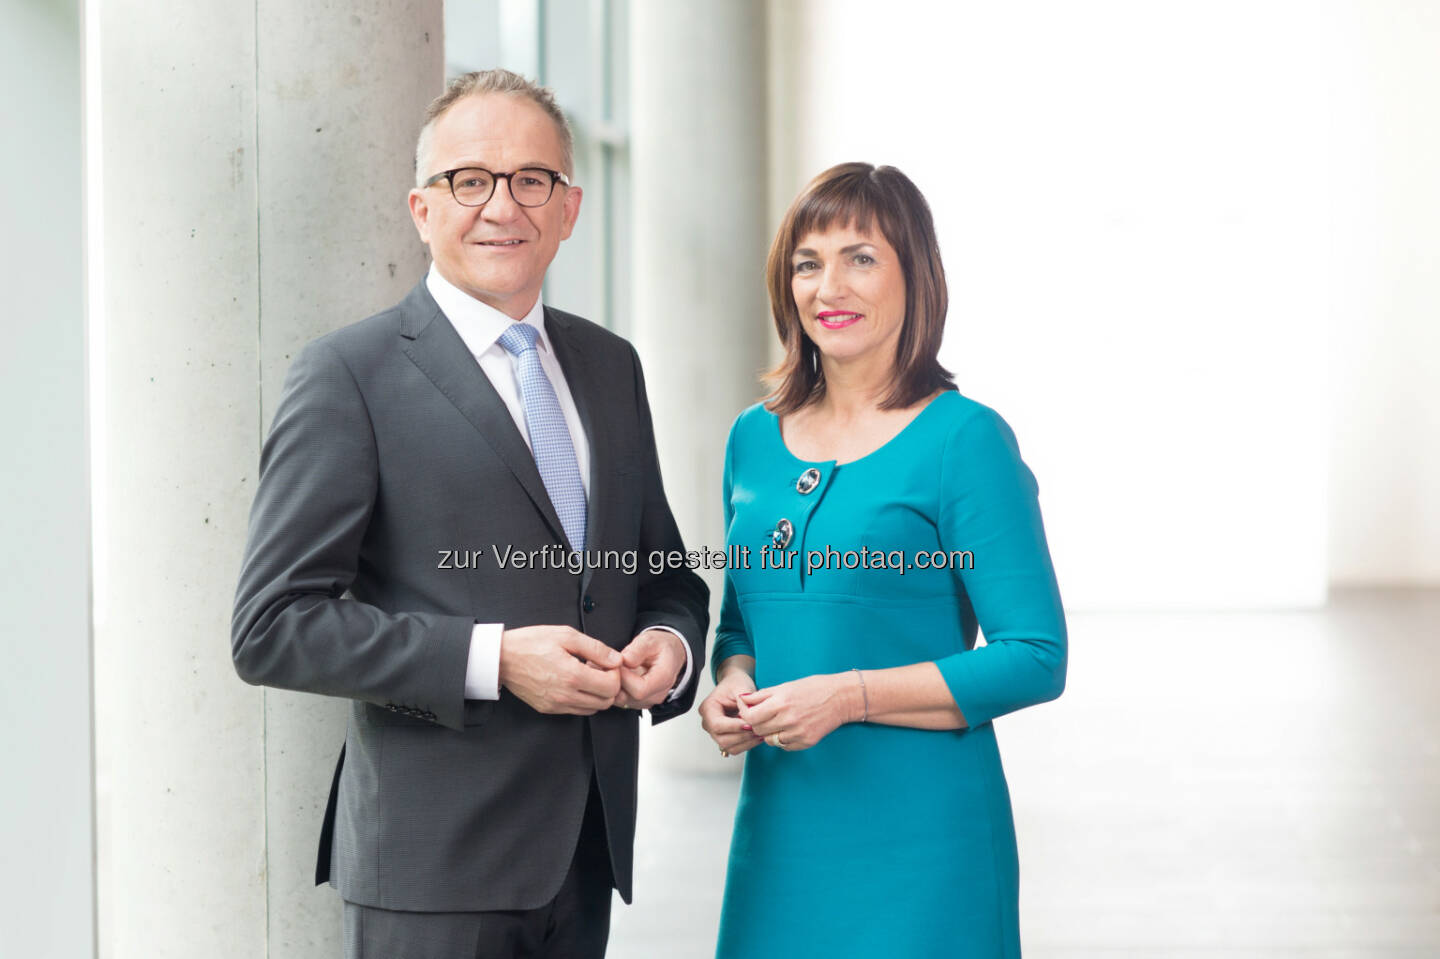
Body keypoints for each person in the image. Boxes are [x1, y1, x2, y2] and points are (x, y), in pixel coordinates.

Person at [231, 69, 708, 959]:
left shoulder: (611, 366)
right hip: (433, 874)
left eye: (532, 180)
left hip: (584, 854)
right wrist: (493, 658)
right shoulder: (349, 375)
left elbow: (665, 576)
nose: (503, 205)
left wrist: (671, 649)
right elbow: (272, 625)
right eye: (469, 180)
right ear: (422, 208)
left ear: (568, 209)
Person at [699, 162, 1067, 957]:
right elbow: (739, 622)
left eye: (860, 256)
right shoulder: (751, 439)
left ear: (916, 276)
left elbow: (1035, 656)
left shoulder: (965, 440)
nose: (829, 284)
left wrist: (850, 696)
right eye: (808, 261)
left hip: (924, 841)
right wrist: (731, 681)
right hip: (781, 834)